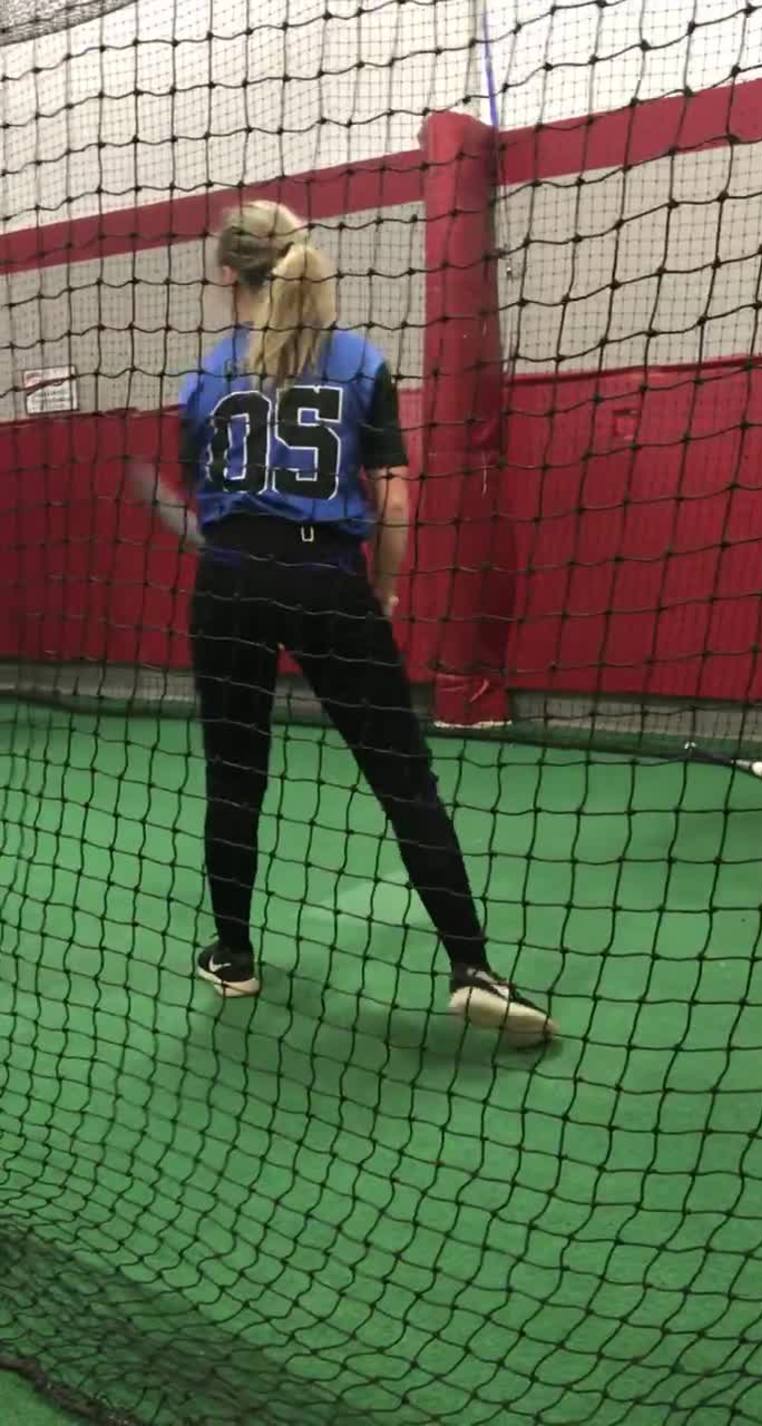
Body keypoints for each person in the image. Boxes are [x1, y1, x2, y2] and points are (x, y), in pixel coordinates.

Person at [170, 199, 553, 1044]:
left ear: (228, 273)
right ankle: (472, 966)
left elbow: (203, 482)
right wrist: (379, 592)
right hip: (327, 580)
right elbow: (393, 499)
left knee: (234, 776)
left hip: (228, 583)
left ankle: (233, 955)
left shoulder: (203, 377)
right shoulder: (359, 363)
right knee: (404, 780)